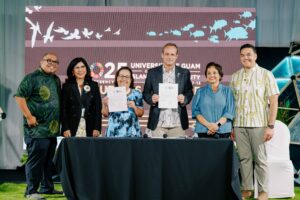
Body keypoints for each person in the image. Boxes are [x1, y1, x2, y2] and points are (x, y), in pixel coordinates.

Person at [230, 44, 279, 200]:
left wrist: (270, 126)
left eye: (249, 54)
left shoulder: (266, 74)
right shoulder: (235, 76)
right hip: (239, 125)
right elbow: (232, 102)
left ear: (255, 56)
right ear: (240, 57)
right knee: (244, 159)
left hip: (259, 124)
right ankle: (247, 190)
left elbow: (274, 101)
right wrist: (232, 126)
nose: (246, 57)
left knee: (260, 160)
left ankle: (263, 192)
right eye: (243, 55)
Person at [15, 52, 63, 199]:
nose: (52, 63)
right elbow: (19, 96)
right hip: (36, 129)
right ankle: (31, 191)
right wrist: (29, 116)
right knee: (35, 161)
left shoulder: (55, 79)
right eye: (49, 60)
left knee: (48, 161)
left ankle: (46, 187)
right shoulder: (31, 78)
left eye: (55, 61)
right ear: (41, 61)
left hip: (52, 129)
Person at [143, 43, 193, 137]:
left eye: (172, 54)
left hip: (177, 123)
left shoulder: (184, 73)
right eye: (167, 54)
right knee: (156, 151)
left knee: (177, 152)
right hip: (157, 123)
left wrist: (184, 99)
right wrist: (151, 99)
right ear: (162, 55)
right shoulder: (152, 73)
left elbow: (189, 92)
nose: (169, 57)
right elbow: (145, 93)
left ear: (176, 56)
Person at [192, 62, 235, 138]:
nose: (211, 75)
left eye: (214, 73)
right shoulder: (200, 92)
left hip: (223, 131)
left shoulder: (227, 91)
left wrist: (217, 125)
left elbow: (229, 112)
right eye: (209, 73)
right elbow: (196, 111)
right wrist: (208, 125)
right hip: (203, 131)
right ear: (206, 76)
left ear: (220, 75)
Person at [61, 57, 102, 137]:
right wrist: (65, 128)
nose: (80, 70)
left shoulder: (93, 85)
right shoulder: (67, 86)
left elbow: (97, 108)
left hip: (90, 126)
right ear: (72, 71)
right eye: (77, 67)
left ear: (86, 69)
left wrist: (97, 127)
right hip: (71, 126)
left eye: (83, 67)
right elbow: (63, 109)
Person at [102, 67, 144, 137]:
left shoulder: (137, 94)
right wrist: (104, 105)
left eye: (127, 77)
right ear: (117, 78)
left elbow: (141, 113)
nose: (124, 79)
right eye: (121, 76)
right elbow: (105, 114)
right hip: (113, 134)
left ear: (131, 80)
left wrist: (134, 107)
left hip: (132, 134)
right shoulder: (110, 93)